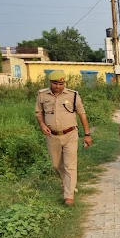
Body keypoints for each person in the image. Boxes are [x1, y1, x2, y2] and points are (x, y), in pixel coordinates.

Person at [35, 71, 93, 206]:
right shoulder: (42, 95)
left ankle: (69, 195)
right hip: (52, 135)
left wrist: (87, 134)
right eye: (55, 83)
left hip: (70, 134)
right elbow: (38, 113)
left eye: (61, 84)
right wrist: (42, 125)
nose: (58, 86)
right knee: (56, 165)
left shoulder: (73, 95)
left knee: (70, 165)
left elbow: (82, 114)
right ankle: (67, 183)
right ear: (50, 83)